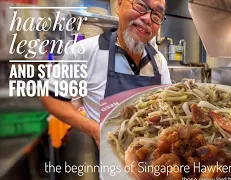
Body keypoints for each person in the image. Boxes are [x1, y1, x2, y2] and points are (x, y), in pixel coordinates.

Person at [40, 0, 170, 166]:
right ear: (119, 5)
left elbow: (167, 109)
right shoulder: (85, 52)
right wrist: (95, 130)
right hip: (111, 163)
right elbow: (51, 97)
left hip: (154, 163)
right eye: (140, 5)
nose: (147, 18)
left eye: (157, 14)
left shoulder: (159, 62)